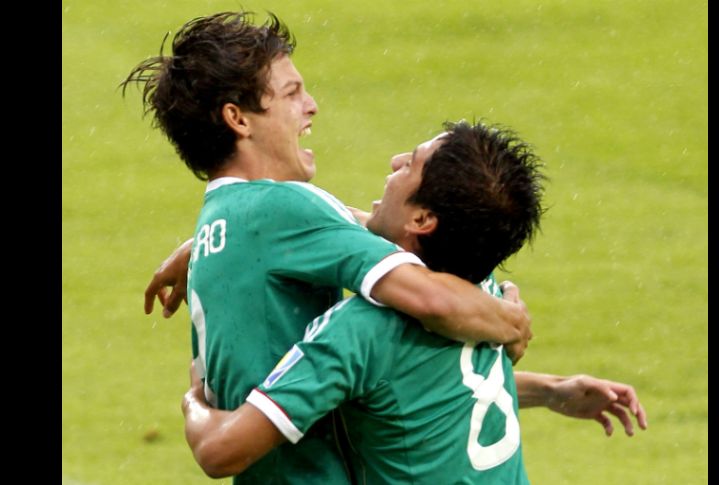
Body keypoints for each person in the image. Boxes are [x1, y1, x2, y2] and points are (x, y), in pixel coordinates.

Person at [122, 11, 532, 484]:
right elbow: (431, 299)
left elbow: (345, 227)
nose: (311, 106)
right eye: (292, 93)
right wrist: (508, 323)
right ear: (238, 119)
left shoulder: (229, 221)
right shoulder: (286, 210)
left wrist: (196, 246)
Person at [181, 121, 647, 483]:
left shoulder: (360, 333)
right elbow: (434, 397)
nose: (395, 160)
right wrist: (552, 390)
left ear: (422, 219)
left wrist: (195, 400)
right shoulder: (481, 292)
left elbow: (220, 452)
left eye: (410, 165)